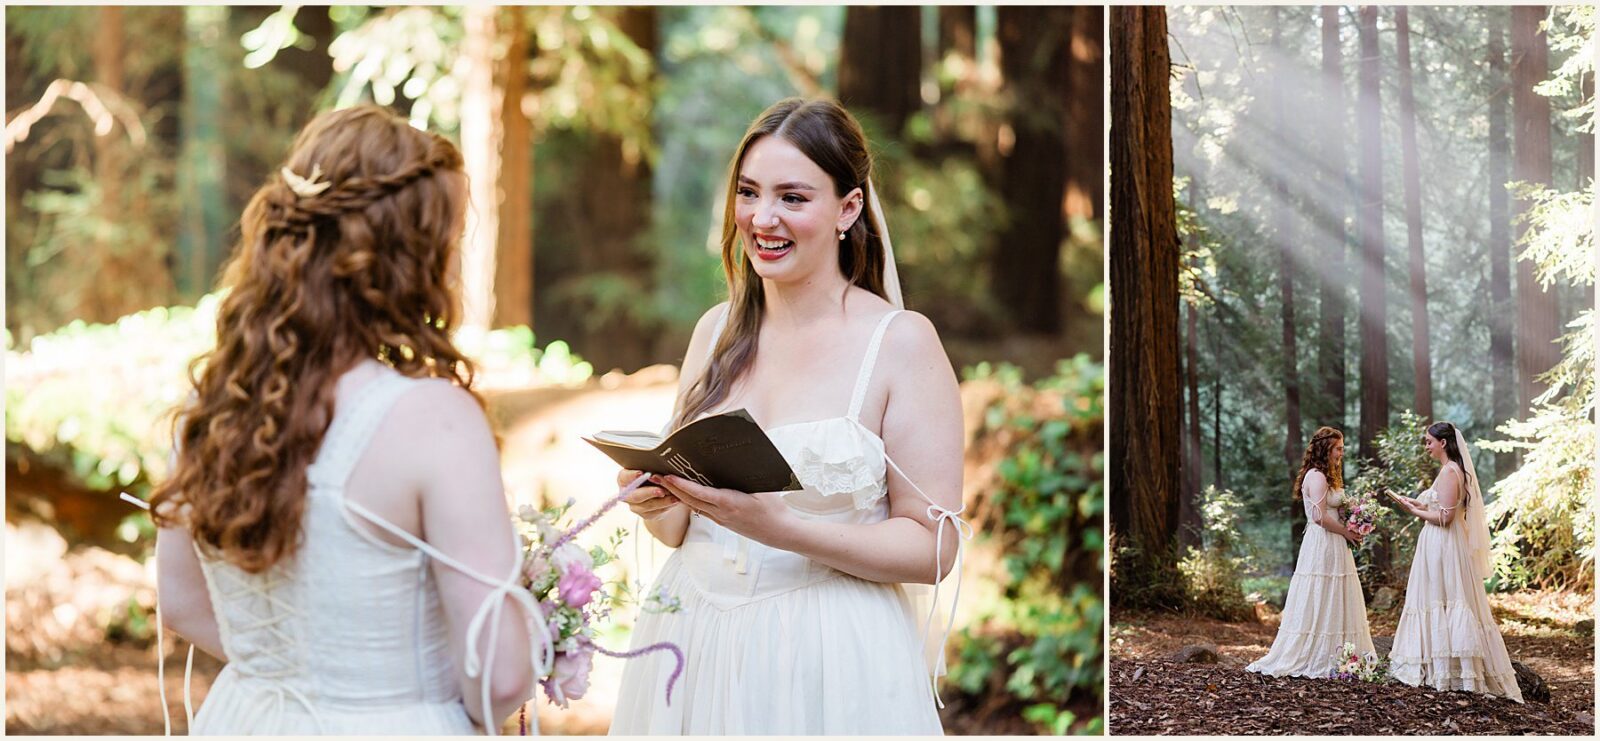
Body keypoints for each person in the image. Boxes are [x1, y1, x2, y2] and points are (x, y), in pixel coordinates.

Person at [151, 105, 548, 734]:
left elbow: (179, 602)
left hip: (246, 718)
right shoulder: (433, 418)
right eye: (449, 239)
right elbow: (497, 677)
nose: (454, 263)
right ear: (405, 256)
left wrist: (295, 678)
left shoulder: (213, 408)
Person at [608, 98, 969, 734]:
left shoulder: (900, 342)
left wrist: (784, 529)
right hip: (691, 640)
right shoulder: (715, 331)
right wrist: (655, 499)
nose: (762, 217)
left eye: (792, 198)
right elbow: (677, 530)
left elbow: (934, 547)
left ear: (848, 209)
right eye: (748, 192)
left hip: (827, 654)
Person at [1385, 422, 1523, 702]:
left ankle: (1451, 671)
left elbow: (1446, 518)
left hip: (1443, 543)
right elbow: (1438, 506)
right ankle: (1440, 665)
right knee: (1440, 597)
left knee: (1445, 598)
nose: (1427, 447)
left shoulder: (1450, 472)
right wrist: (1413, 503)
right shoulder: (1449, 470)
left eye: (1429, 442)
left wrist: (1414, 512)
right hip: (1438, 542)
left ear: (1443, 443)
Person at [1246, 426, 1374, 678]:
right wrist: (1346, 532)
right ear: (1325, 448)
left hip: (1336, 541)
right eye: (1338, 448)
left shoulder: (1329, 476)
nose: (1341, 453)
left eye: (1342, 448)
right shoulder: (1316, 476)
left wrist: (1354, 520)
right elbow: (1318, 517)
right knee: (1321, 591)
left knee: (1335, 592)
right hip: (1323, 542)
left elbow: (1334, 510)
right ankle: (1317, 653)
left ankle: (1342, 653)